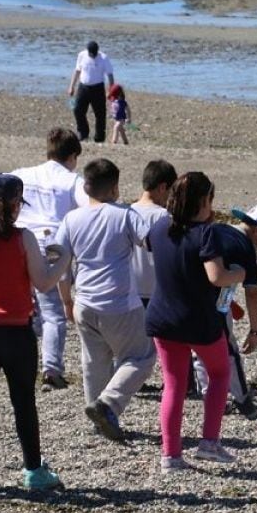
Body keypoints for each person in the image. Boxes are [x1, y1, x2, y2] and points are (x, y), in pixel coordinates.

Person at [0, 173, 72, 493]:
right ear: (10, 205)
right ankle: (33, 470)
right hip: (16, 332)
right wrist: (63, 258)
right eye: (18, 202)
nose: (20, 208)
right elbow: (44, 282)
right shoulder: (23, 238)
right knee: (23, 402)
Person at [0, 128, 88, 390]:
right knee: (52, 311)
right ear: (73, 156)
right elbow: (89, 206)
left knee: (22, 300)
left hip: (18, 240)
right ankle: (51, 368)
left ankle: (13, 355)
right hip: (51, 242)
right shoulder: (71, 180)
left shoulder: (25, 173)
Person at [146, 172, 244, 472]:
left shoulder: (159, 227)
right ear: (203, 202)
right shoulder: (206, 233)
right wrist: (239, 273)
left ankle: (171, 455)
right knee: (218, 373)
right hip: (198, 321)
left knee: (173, 383)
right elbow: (216, 277)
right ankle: (209, 443)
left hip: (162, 317)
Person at [53, 159, 156, 441]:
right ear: (115, 187)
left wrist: (65, 301)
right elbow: (150, 241)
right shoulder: (124, 214)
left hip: (84, 301)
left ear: (86, 186)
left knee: (94, 362)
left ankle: (99, 421)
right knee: (141, 356)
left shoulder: (72, 218)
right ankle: (108, 404)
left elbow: (58, 262)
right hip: (119, 302)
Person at [194, 204, 257, 418]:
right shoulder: (246, 247)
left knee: (198, 350)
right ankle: (242, 400)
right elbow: (251, 293)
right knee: (229, 351)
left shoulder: (217, 228)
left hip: (191, 296)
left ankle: (209, 397)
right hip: (216, 303)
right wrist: (254, 330)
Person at [129, 159, 177, 308]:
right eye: (171, 191)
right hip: (157, 291)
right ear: (163, 187)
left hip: (130, 290)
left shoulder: (127, 212)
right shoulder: (164, 217)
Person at [68, 40, 115, 144]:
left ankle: (99, 138)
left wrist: (111, 90)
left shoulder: (104, 58)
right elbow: (77, 71)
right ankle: (83, 133)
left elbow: (110, 75)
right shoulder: (82, 55)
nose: (93, 55)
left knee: (100, 114)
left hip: (98, 88)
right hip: (83, 87)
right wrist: (71, 86)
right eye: (91, 54)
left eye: (94, 53)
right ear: (88, 51)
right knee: (77, 110)